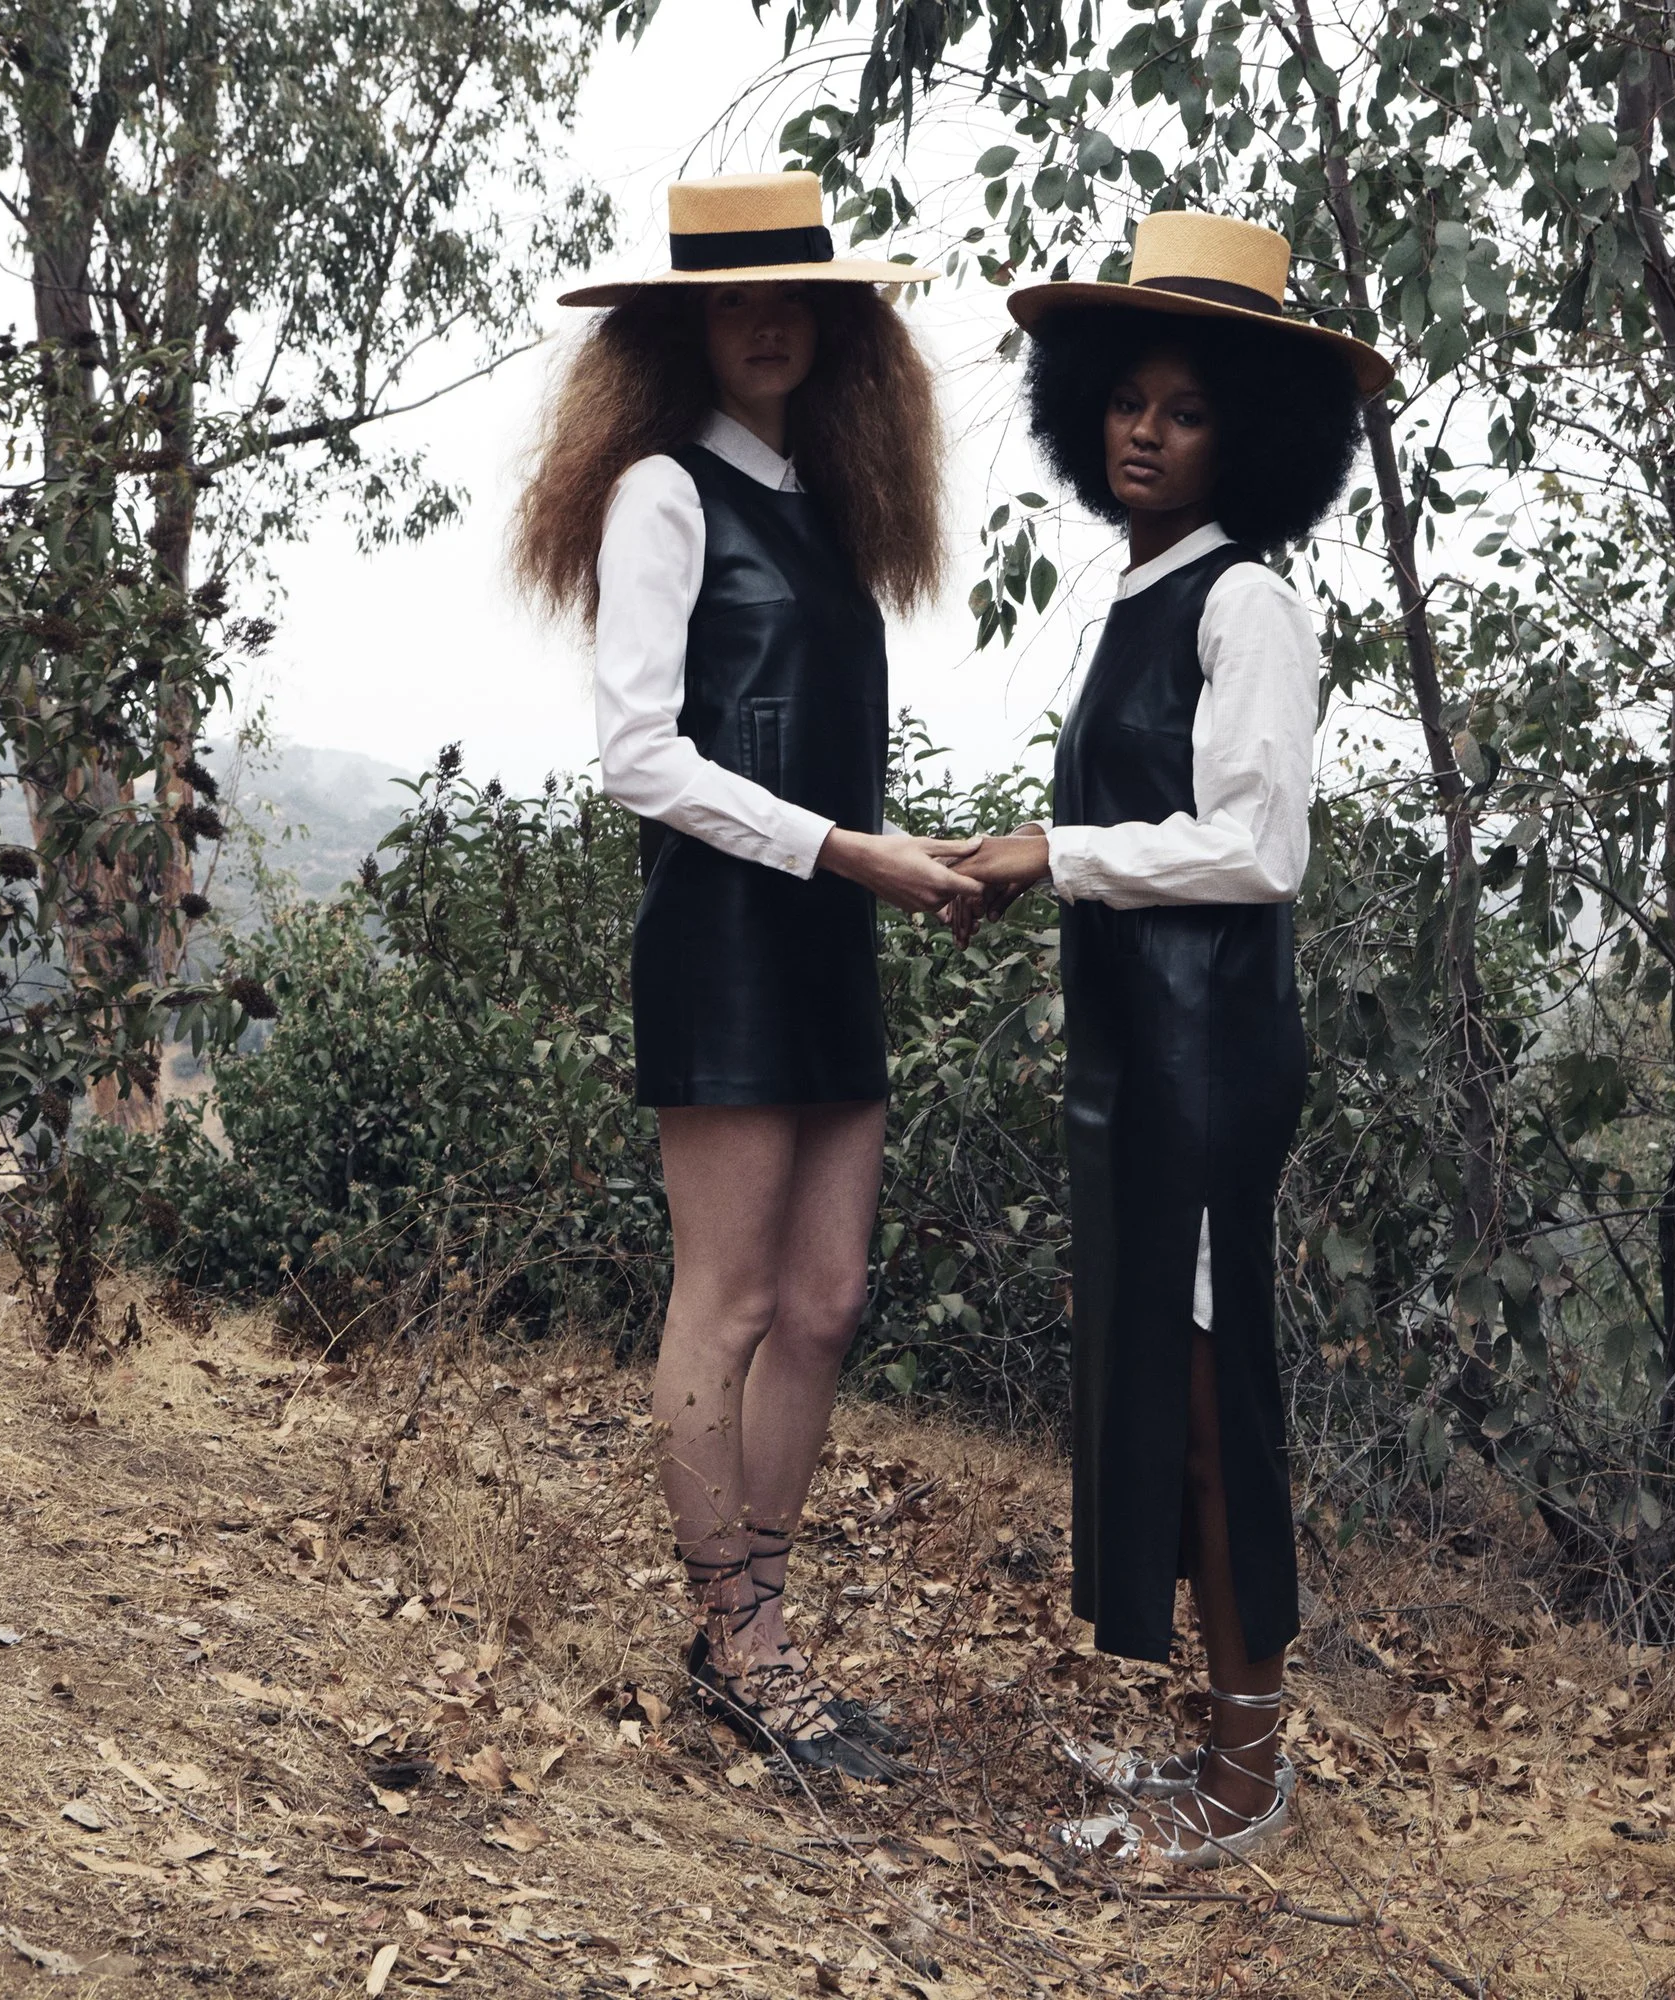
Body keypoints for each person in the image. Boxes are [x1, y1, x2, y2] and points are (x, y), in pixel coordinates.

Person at [513, 171, 978, 1780]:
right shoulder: (663, 492)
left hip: (829, 926)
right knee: (727, 1300)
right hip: (724, 937)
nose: (769, 321)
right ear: (686, 324)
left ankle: (755, 1621)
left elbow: (812, 743)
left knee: (829, 1298)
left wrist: (912, 856)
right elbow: (641, 756)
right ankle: (741, 1642)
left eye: (797, 296)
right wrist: (848, 852)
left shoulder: (823, 504)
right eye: (734, 298)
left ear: (839, 322)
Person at [952, 210, 1384, 1863]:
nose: (1144, 429)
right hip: (1143, 1049)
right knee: (1163, 1372)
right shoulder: (1149, 592)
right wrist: (1019, 867)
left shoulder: (1248, 605)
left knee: (1214, 1394)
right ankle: (1212, 1737)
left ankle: (1252, 1768)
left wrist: (1045, 855)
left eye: (1187, 407)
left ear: (1251, 438)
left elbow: (1256, 849)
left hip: (1212, 1058)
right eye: (1126, 398)